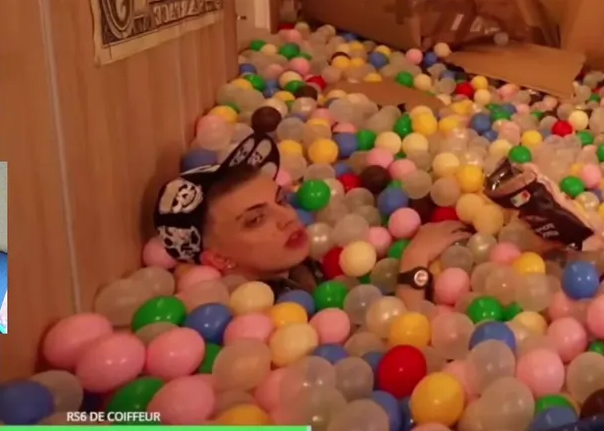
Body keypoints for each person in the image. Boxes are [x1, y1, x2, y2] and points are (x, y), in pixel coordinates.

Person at [155, 133, 469, 310]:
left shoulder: (296, 268)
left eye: (280, 201)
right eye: (256, 219)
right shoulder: (255, 315)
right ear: (218, 259)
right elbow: (404, 349)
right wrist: (415, 260)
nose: (287, 217)